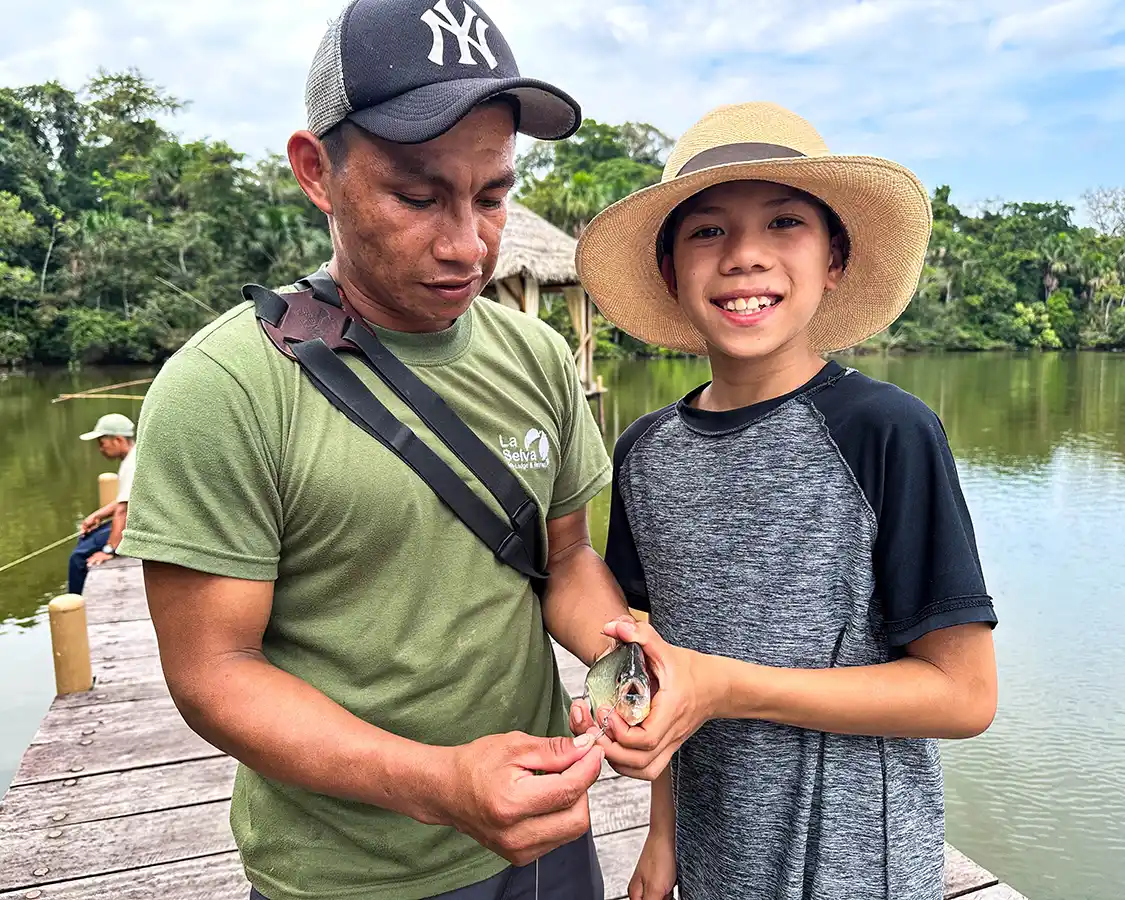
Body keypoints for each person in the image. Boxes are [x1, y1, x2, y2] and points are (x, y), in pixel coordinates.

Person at [117, 2, 628, 899]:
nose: (467, 244)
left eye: (494, 195)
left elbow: (568, 560)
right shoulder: (225, 388)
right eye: (418, 196)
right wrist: (437, 784)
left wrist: (627, 664)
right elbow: (213, 672)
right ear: (317, 172)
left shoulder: (539, 357)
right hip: (347, 873)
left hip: (547, 837)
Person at [571, 102, 1000, 900]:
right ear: (669, 270)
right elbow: (654, 664)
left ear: (833, 258)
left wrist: (727, 686)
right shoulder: (643, 453)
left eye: (783, 223)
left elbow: (964, 694)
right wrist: (659, 838)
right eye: (706, 231)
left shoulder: (888, 432)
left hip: (855, 868)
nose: (744, 257)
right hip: (708, 849)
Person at [70, 412, 136, 594]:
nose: (100, 449)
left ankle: (76, 606)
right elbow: (124, 500)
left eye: (102, 443)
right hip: (135, 521)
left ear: (118, 440)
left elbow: (123, 510)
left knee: (77, 557)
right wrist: (97, 515)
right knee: (85, 538)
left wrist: (109, 549)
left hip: (139, 526)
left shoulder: (132, 464)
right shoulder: (133, 458)